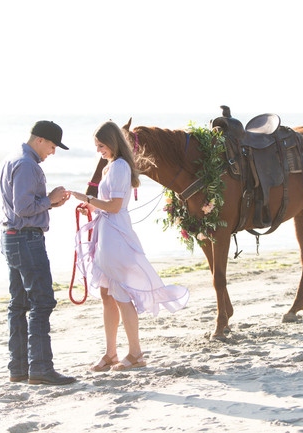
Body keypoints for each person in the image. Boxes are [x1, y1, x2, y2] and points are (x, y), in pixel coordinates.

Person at [70, 121, 189, 372]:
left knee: (121, 293)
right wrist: (91, 206)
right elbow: (109, 204)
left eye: (101, 145)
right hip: (106, 231)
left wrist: (87, 198)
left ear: (112, 143)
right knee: (106, 294)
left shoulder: (121, 166)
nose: (99, 151)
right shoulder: (111, 166)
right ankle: (110, 353)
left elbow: (114, 206)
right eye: (96, 146)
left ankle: (136, 353)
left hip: (116, 234)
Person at [0, 120, 76, 385]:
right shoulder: (28, 164)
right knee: (42, 302)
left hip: (13, 237)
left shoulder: (14, 159)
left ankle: (19, 368)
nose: (52, 152)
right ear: (40, 140)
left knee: (18, 304)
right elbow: (23, 207)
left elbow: (21, 207)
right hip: (26, 239)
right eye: (53, 146)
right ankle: (41, 368)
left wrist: (49, 204)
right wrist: (50, 200)